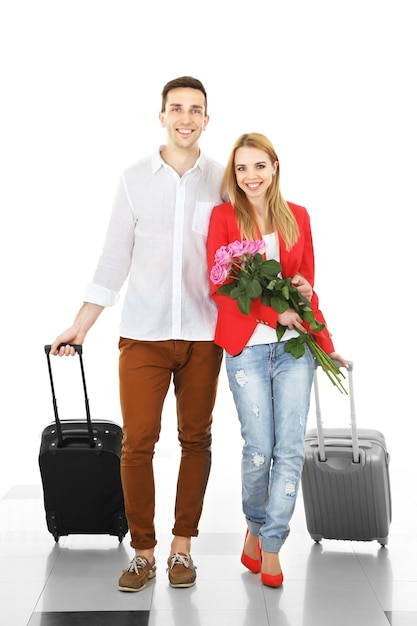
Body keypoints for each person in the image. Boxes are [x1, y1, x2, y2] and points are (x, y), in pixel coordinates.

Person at [50, 76, 225, 592]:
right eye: (177, 109)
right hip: (143, 335)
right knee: (137, 444)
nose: (186, 118)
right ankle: (144, 552)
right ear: (162, 116)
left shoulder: (222, 180)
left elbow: (242, 253)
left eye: (196, 110)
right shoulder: (132, 179)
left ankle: (182, 550)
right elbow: (112, 259)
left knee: (196, 440)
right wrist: (81, 325)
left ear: (206, 120)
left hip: (202, 336)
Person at [207, 132, 347, 588]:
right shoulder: (224, 218)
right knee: (258, 450)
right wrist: (273, 312)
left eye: (259, 166)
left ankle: (271, 545)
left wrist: (325, 344)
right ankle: (254, 524)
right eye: (242, 168)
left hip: (294, 350)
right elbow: (222, 289)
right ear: (235, 173)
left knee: (289, 449)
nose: (251, 176)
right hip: (245, 346)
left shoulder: (297, 218)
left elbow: (306, 289)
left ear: (275, 167)